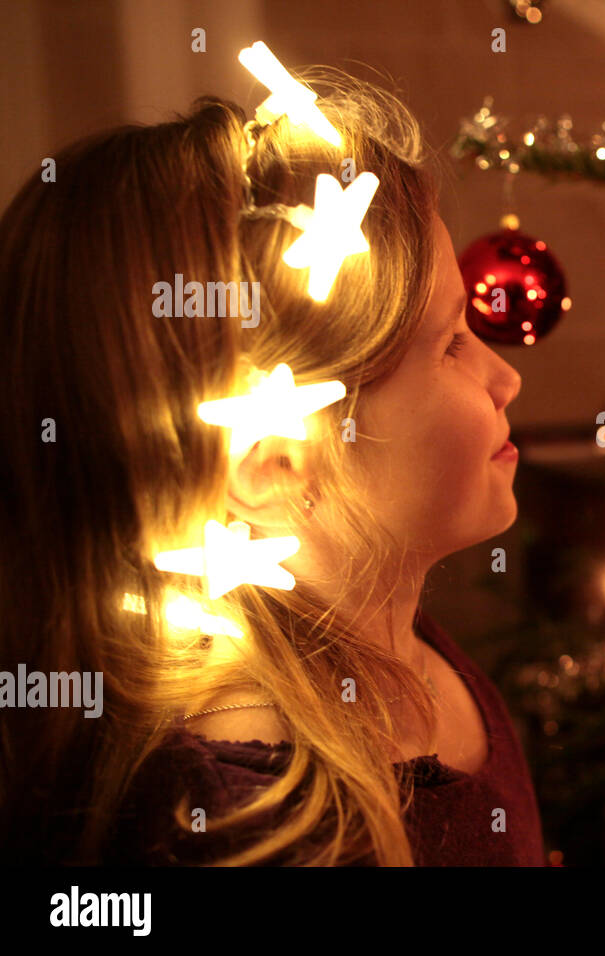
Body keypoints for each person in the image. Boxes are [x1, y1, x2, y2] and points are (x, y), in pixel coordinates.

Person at [0, 64, 541, 865]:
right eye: (452, 342)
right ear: (273, 459)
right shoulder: (242, 821)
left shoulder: (394, 646)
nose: (508, 378)